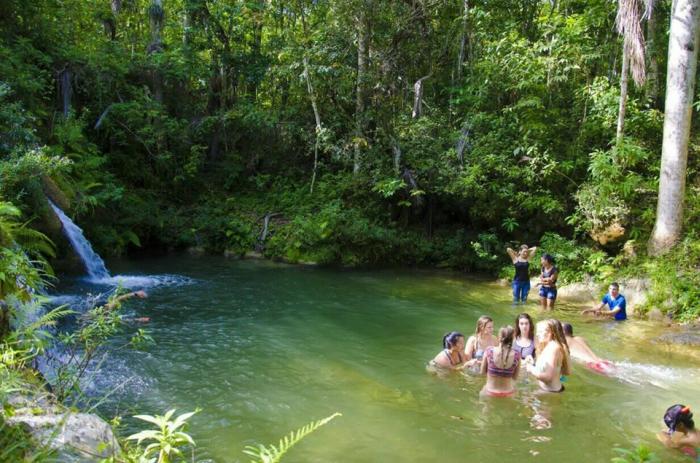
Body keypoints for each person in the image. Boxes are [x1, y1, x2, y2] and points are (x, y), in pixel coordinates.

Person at [524, 319, 571, 392]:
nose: (537, 334)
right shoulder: (550, 346)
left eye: (540, 331)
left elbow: (548, 377)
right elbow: (566, 371)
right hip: (549, 390)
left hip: (550, 393)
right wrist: (533, 364)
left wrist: (530, 368)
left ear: (550, 333)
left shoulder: (553, 348)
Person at [480, 325, 520, 397]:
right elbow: (515, 378)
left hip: (490, 392)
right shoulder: (517, 355)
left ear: (499, 337)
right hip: (508, 393)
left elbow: (482, 372)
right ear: (512, 339)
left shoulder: (489, 351)